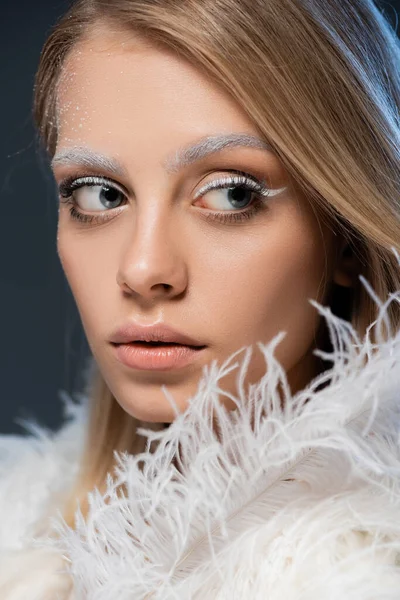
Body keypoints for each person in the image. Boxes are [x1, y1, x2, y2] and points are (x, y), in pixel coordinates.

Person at [1, 0, 400, 597]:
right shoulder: (20, 532)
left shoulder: (361, 575)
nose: (142, 270)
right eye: (100, 194)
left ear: (346, 233)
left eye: (232, 195)